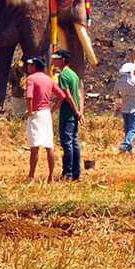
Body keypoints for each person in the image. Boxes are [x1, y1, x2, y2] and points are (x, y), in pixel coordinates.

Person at [21, 57, 69, 182]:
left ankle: (31, 176)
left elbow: (29, 96)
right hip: (46, 113)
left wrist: (30, 111)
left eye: (30, 65)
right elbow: (61, 96)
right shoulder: (49, 79)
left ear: (34, 66)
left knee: (34, 147)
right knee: (49, 146)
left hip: (36, 114)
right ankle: (51, 176)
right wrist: (53, 109)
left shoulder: (31, 79)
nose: (28, 67)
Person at [51, 50, 84, 181]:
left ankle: (68, 173)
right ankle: (77, 173)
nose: (54, 61)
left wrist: (75, 111)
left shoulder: (63, 75)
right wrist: (80, 112)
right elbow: (80, 95)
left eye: (56, 58)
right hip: (75, 115)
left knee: (67, 144)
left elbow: (67, 96)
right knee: (75, 143)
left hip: (67, 115)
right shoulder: (74, 75)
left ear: (63, 60)